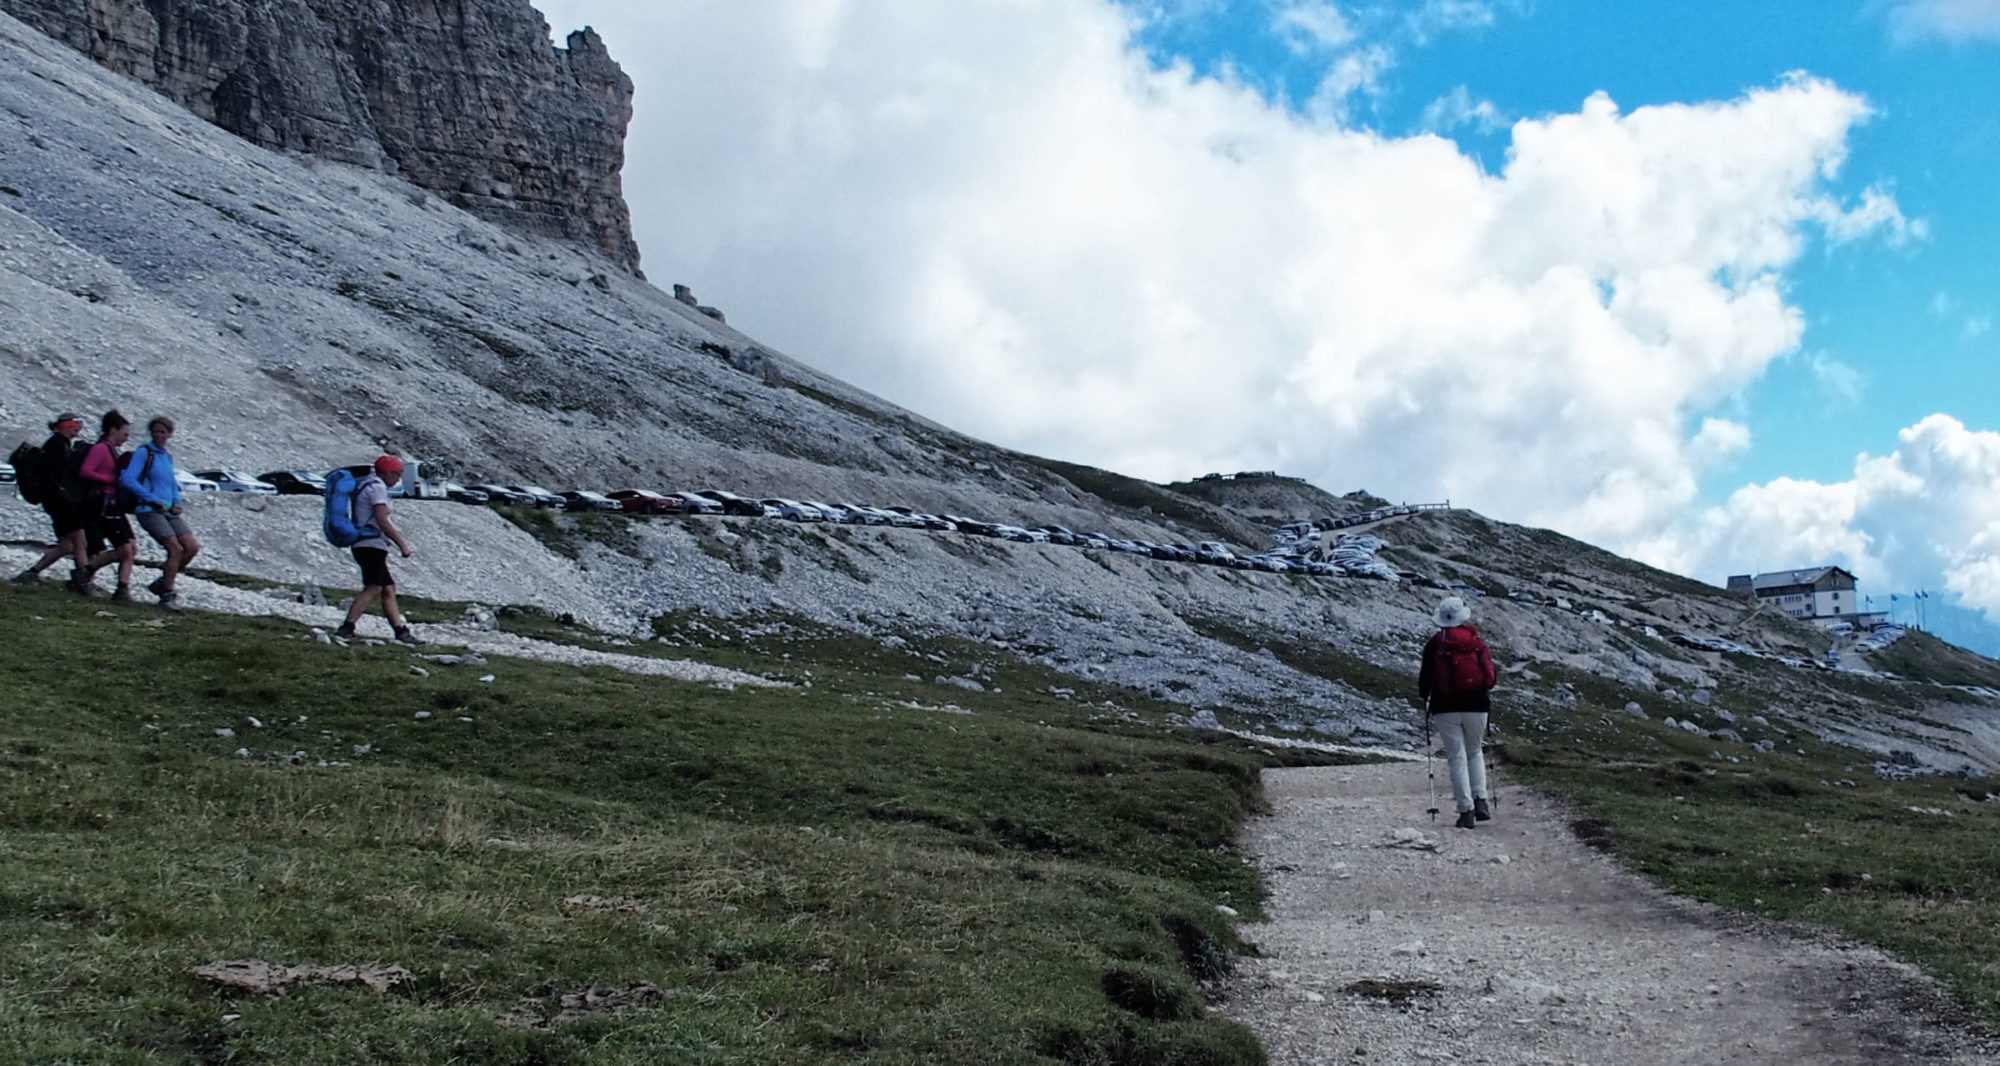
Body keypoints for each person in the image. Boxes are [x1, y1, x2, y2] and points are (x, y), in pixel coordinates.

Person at [1417, 596, 1497, 829]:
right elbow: (1490, 679)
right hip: (1477, 705)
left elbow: (1424, 680)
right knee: (1475, 752)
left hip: (1445, 708)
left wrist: (1425, 697)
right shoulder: (1477, 642)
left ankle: (1466, 811)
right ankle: (1481, 800)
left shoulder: (1434, 644)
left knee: (1457, 757)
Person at [335, 455, 422, 645]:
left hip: (365, 544)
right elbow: (382, 520)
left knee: (388, 588)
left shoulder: (365, 485)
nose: (398, 479)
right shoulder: (377, 488)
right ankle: (347, 627)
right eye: (398, 474)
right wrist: (402, 545)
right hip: (371, 544)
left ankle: (400, 631)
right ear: (388, 472)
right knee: (374, 586)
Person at [119, 415, 200, 612]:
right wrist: (149, 498)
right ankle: (167, 594)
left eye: (163, 432)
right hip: (149, 509)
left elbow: (171, 484)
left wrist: (177, 502)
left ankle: (163, 582)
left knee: (191, 547)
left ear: (169, 434)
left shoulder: (166, 456)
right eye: (156, 432)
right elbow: (127, 478)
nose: (159, 435)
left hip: (168, 510)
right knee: (175, 549)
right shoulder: (144, 452)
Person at [11, 412, 91, 588]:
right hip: (60, 501)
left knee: (67, 544)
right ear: (62, 426)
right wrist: (62, 491)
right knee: (79, 540)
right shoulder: (57, 445)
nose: (75, 431)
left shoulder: (57, 444)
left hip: (53, 501)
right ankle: (82, 581)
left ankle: (32, 572)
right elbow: (52, 474)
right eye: (72, 427)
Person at [73, 410, 139, 602]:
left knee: (131, 547)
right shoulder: (101, 449)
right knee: (125, 548)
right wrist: (110, 478)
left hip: (113, 504)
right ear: (113, 430)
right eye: (124, 434)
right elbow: (86, 471)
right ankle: (91, 575)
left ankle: (119, 587)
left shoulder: (112, 450)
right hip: (104, 504)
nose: (126, 438)